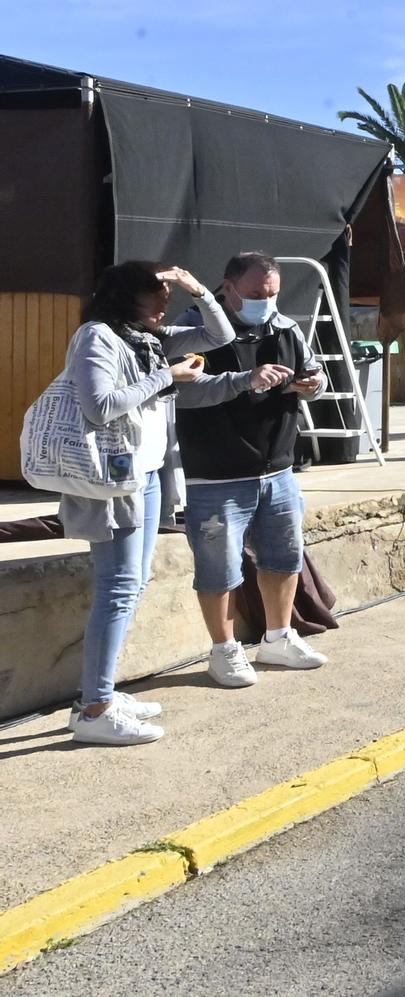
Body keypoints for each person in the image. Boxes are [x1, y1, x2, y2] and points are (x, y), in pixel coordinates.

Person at [59, 263, 230, 744]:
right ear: (122, 297)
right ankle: (95, 709)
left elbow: (219, 334)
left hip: (149, 474)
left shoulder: (149, 337)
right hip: (115, 481)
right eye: (153, 298)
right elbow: (100, 406)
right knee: (118, 587)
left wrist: (197, 289)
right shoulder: (99, 338)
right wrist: (166, 377)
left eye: (166, 299)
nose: (163, 306)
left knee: (134, 583)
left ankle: (101, 693)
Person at [175, 252, 332, 689]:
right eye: (256, 294)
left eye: (273, 293)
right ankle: (223, 651)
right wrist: (247, 378)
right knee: (219, 569)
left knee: (283, 559)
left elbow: (314, 375)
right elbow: (180, 393)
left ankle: (279, 637)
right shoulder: (192, 329)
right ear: (227, 288)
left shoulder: (285, 328)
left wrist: (312, 384)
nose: (266, 301)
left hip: (277, 468)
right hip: (216, 473)